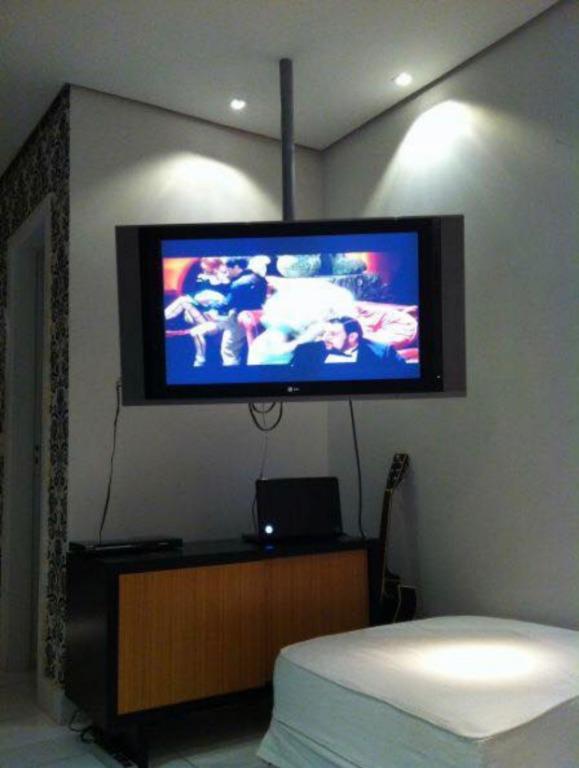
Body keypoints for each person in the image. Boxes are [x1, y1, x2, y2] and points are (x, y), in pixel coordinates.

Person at [291, 316, 409, 376]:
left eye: (333, 334)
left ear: (352, 337)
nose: (325, 338)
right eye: (324, 333)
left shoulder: (383, 353)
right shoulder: (305, 351)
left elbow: (402, 376)